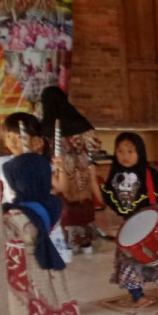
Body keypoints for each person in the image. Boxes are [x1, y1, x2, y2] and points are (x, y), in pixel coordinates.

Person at [1, 153, 89, 315]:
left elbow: (7, 235)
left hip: (27, 270)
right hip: (50, 267)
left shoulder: (18, 214)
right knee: (50, 312)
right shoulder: (51, 204)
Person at [100, 132, 158, 307]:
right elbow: (110, 201)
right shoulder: (115, 176)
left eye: (130, 151)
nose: (125, 156)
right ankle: (137, 295)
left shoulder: (150, 173)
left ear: (140, 152)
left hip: (153, 224)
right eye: (120, 151)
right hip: (130, 226)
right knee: (131, 261)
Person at [0, 112, 74, 264]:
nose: (13, 142)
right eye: (9, 136)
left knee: (45, 264)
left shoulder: (40, 164)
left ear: (34, 140)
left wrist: (61, 170)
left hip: (39, 218)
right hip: (14, 221)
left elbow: (61, 187)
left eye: (19, 137)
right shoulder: (2, 163)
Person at [40, 86, 104, 254]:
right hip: (82, 169)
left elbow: (42, 151)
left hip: (59, 170)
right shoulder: (78, 121)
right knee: (84, 204)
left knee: (65, 204)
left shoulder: (45, 125)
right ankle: (86, 242)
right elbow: (95, 146)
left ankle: (68, 241)